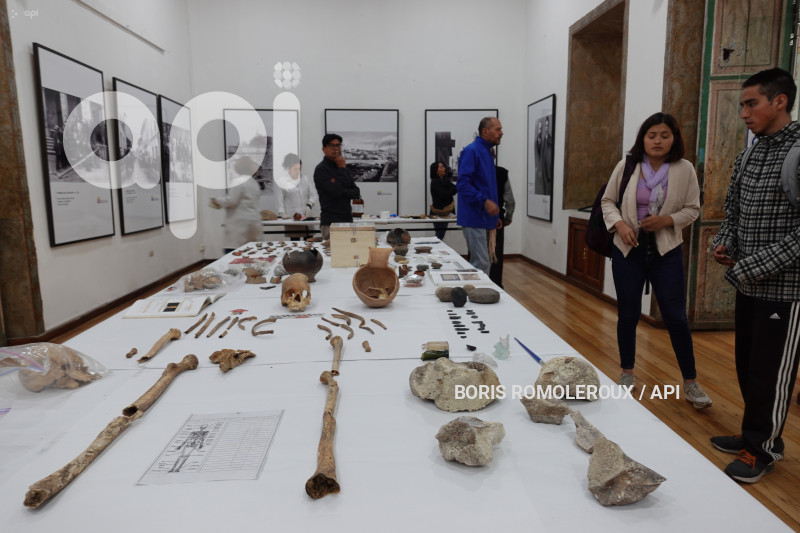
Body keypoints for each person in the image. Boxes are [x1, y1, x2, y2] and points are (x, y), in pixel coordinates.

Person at [711, 68, 800, 484]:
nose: (744, 112)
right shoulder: (749, 153)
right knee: (748, 366)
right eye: (742, 105)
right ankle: (756, 434)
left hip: (786, 288)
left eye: (751, 103)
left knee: (772, 371)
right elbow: (734, 209)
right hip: (748, 283)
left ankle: (761, 449)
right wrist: (725, 242)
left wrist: (758, 264)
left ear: (779, 101)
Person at [601, 112, 710, 409]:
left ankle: (690, 383)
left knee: (675, 317)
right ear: (643, 139)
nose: (658, 141)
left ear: (674, 138)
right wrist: (620, 225)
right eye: (652, 135)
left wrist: (666, 220)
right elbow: (608, 201)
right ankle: (627, 372)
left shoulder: (684, 169)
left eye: (664, 135)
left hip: (666, 252)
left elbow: (692, 209)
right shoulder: (627, 165)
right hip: (629, 250)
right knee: (628, 313)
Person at [457, 117, 502, 274]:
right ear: (485, 131)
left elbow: (486, 186)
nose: (501, 133)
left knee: (481, 264)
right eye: (497, 129)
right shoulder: (472, 151)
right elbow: (462, 185)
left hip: (483, 218)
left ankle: (475, 296)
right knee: (481, 265)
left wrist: (494, 217)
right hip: (474, 217)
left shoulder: (486, 152)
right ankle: (476, 297)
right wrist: (485, 202)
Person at [210, 156, 262, 254]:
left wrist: (217, 200)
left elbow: (232, 201)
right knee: (251, 254)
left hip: (239, 225)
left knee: (233, 255)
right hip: (253, 223)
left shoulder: (238, 181)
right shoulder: (254, 183)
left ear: (238, 168)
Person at [313, 133, 361, 240]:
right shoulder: (321, 169)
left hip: (347, 220)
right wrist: (342, 170)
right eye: (332, 146)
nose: (336, 149)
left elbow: (356, 193)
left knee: (348, 255)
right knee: (332, 256)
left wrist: (342, 170)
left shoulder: (342, 166)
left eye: (338, 145)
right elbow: (336, 192)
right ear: (324, 149)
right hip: (331, 222)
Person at [489, 152, 515, 288]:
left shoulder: (474, 174)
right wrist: (508, 217)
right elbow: (509, 199)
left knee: (478, 254)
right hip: (496, 220)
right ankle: (496, 284)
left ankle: (479, 285)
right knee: (496, 254)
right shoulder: (501, 173)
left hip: (477, 221)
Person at [278, 153, 318, 240]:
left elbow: (313, 195)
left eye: (300, 168)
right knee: (295, 242)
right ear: (289, 168)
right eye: (295, 169)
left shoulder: (305, 179)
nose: (298, 171)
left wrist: (309, 205)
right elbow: (280, 200)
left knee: (309, 241)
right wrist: (282, 214)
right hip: (292, 217)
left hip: (306, 216)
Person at [429, 161, 457, 240]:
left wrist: (453, 189)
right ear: (436, 171)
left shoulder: (445, 180)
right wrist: (453, 189)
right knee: (439, 236)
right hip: (439, 213)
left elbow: (454, 190)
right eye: (441, 167)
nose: (444, 168)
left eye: (443, 167)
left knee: (440, 235)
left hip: (445, 212)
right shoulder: (435, 182)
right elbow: (445, 195)